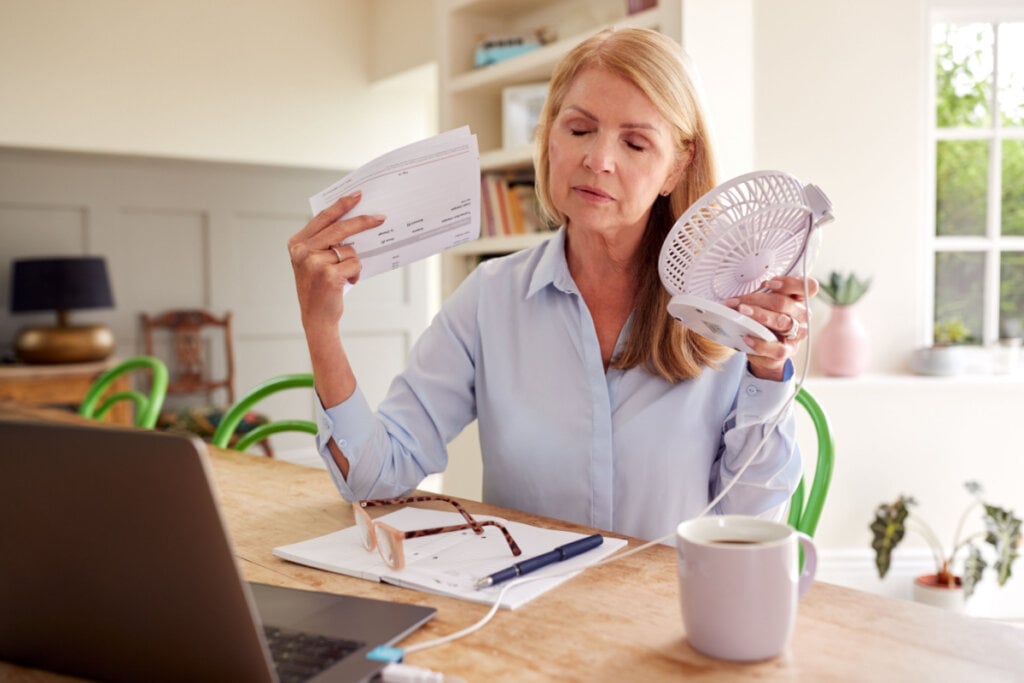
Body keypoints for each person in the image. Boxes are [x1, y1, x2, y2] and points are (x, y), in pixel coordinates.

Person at [288, 27, 818, 542]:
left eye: (635, 143)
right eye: (580, 129)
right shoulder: (489, 298)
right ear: (549, 138)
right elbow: (375, 478)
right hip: (529, 618)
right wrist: (321, 326)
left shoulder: (724, 307)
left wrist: (767, 372)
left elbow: (752, 518)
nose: (597, 160)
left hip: (671, 614)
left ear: (678, 168)